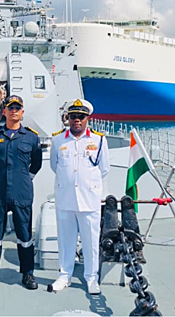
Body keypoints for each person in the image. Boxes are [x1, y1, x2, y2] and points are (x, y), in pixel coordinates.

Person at [0, 95, 42, 291]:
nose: (14, 111)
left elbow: (37, 162)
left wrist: (25, 178)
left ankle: (28, 273)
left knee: (24, 234)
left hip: (22, 191)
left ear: (22, 112)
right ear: (4, 111)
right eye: (10, 108)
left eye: (17, 108)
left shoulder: (31, 137)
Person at [49, 98, 110, 295]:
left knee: (90, 240)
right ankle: (64, 275)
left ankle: (91, 277)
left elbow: (104, 168)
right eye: (73, 116)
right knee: (65, 240)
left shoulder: (99, 140)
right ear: (68, 118)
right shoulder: (58, 140)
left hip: (88, 198)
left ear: (87, 119)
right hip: (66, 197)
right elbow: (55, 165)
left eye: (81, 117)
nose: (77, 120)